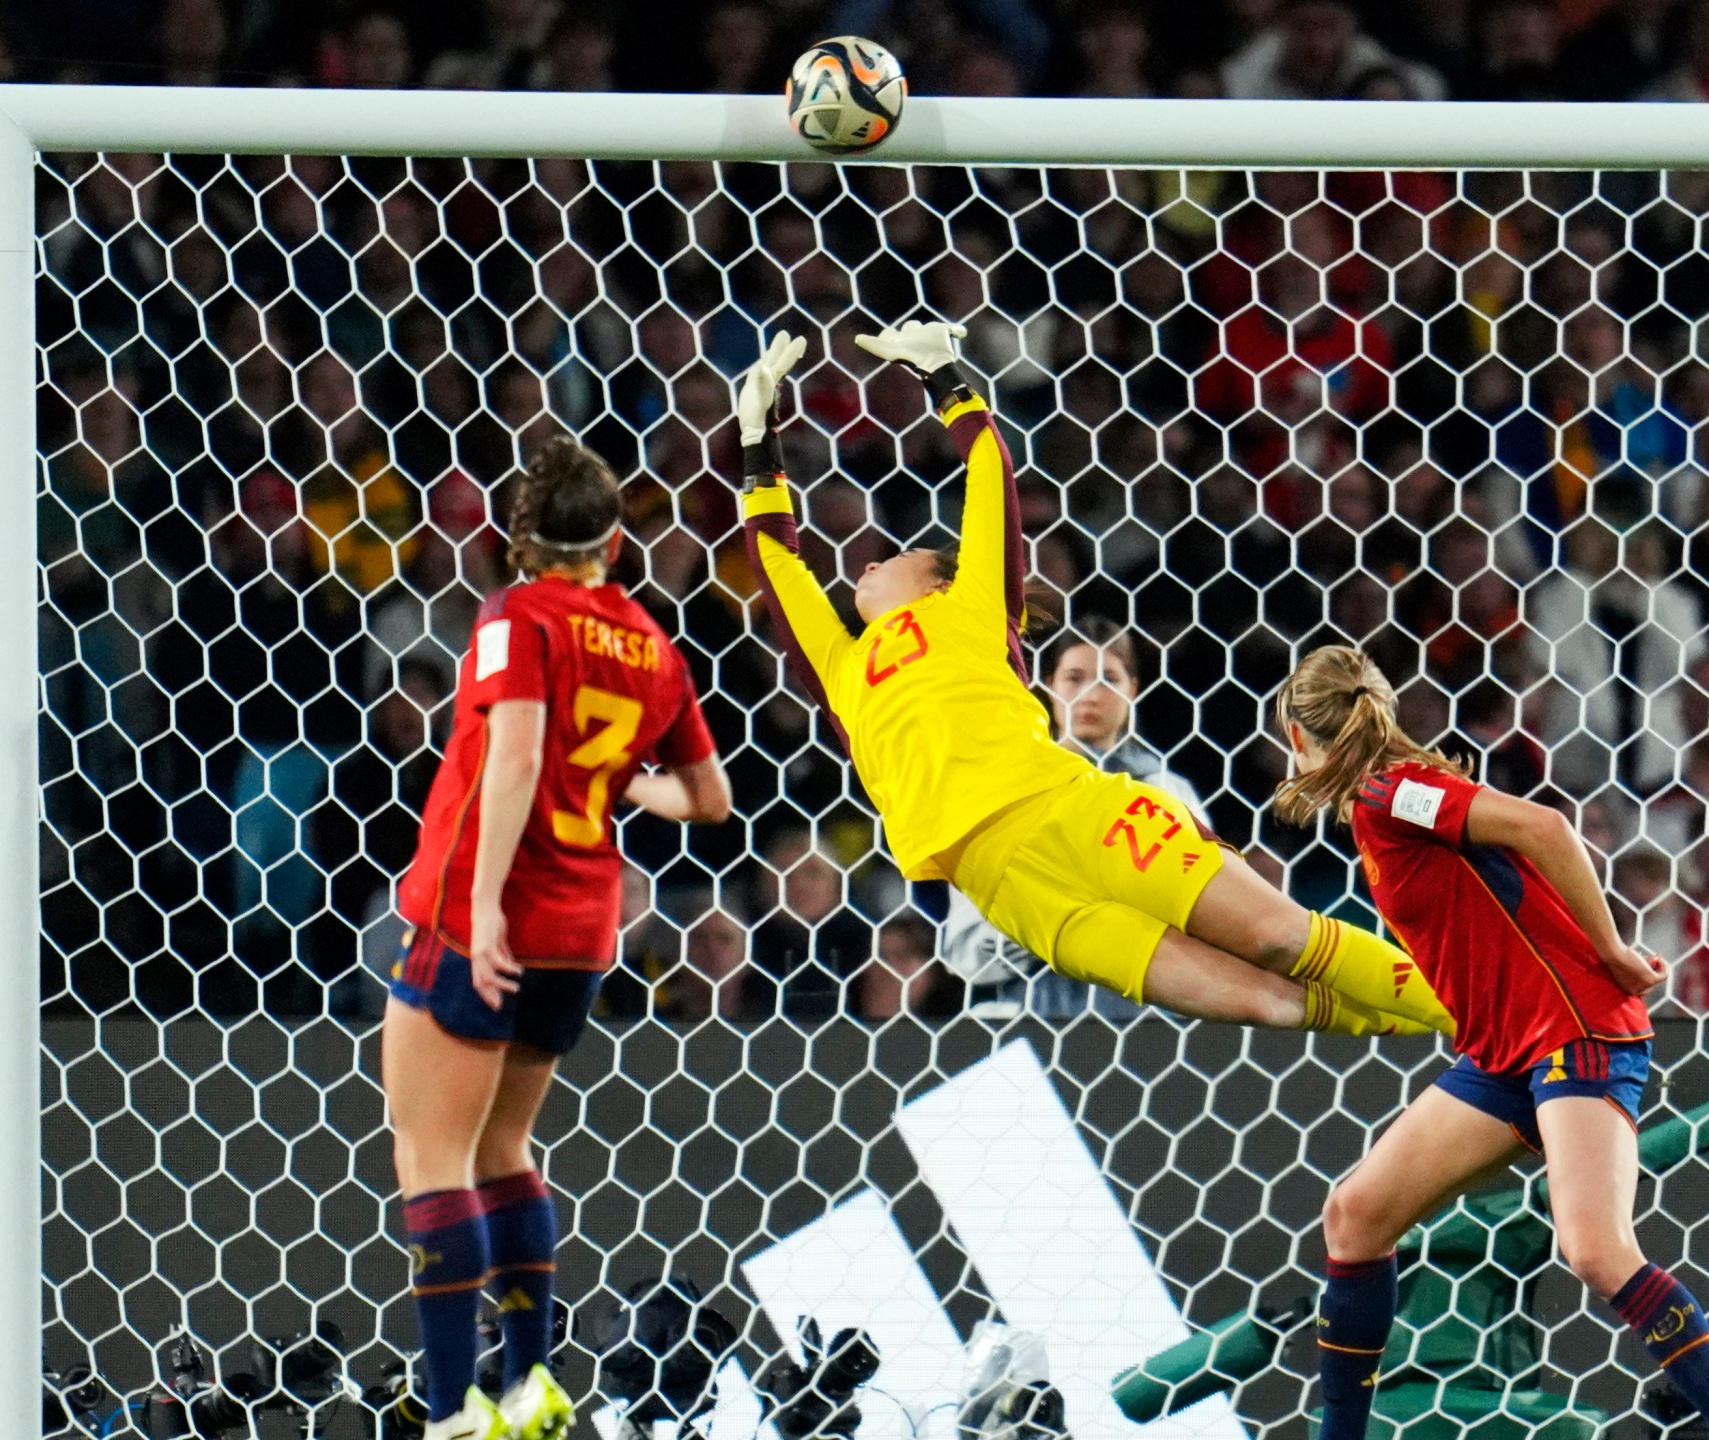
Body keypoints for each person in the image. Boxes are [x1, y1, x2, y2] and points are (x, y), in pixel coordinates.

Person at [732, 319, 1450, 1039]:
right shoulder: (843, 665)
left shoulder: (972, 609)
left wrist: (944, 378)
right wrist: (755, 441)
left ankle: (1489, 1013)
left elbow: (990, 475)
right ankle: (1458, 1039)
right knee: (1258, 1001)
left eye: (898, 555)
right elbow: (779, 567)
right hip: (1012, 893)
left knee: (1278, 939)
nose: (866, 564)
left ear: (938, 580)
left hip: (1075, 816)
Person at [1272, 644, 1709, 1440]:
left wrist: (1608, 945)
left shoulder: (1388, 794)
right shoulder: (1390, 801)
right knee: (1357, 1214)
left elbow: (1542, 824)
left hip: (1572, 1030)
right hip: (1508, 1051)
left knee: (1597, 1249)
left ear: (1297, 738)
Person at [380, 439, 732, 1440]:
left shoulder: (513, 618)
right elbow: (710, 799)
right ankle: (531, 1385)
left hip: (484, 915)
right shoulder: (654, 648)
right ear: (616, 544)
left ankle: (453, 1412)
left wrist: (484, 902)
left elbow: (520, 750)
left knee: (431, 1153)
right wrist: (629, 785)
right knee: (504, 1145)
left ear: (514, 544)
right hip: (583, 926)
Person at [944, 625, 1209, 1020]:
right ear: (1048, 685)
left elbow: (1207, 915)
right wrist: (1056, 920)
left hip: (1144, 1020)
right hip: (1030, 1017)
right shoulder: (1006, 793)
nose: (1091, 693)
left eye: (1108, 678)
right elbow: (964, 952)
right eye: (1074, 678)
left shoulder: (1168, 794)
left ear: (1132, 690)